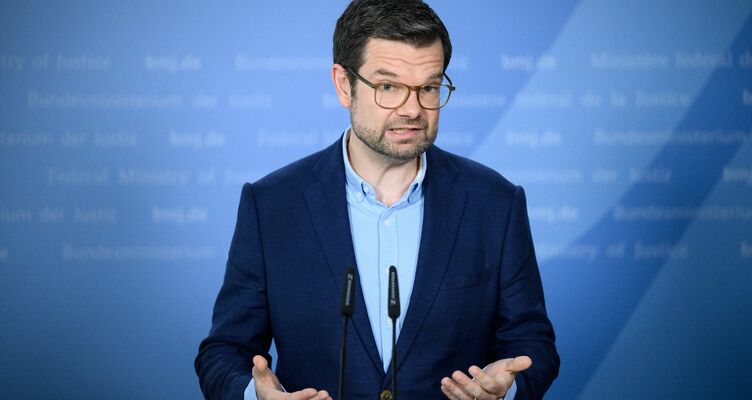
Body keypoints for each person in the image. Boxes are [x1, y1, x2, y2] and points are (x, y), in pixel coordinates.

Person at [195, 1, 559, 399]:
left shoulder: (496, 204)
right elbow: (224, 352)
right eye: (388, 86)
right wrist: (253, 395)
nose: (412, 109)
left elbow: (532, 342)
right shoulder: (271, 206)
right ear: (343, 85)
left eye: (430, 88)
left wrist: (506, 389)